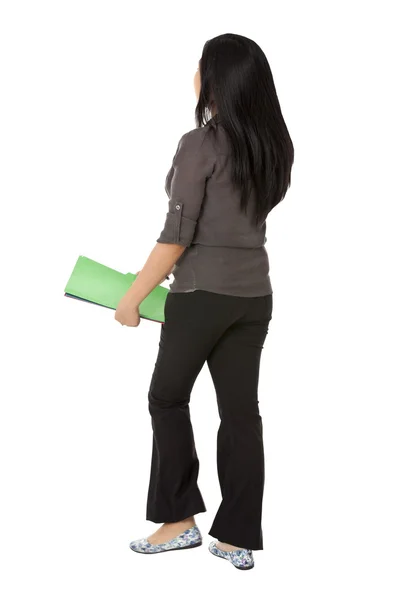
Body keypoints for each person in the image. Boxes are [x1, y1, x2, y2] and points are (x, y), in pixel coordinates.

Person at [115, 33, 294, 570]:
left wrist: (132, 297)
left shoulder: (200, 144)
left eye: (200, 65)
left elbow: (176, 236)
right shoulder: (274, 145)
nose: (194, 72)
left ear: (214, 79)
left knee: (167, 399)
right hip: (254, 297)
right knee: (241, 414)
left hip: (198, 296)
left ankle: (179, 521)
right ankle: (238, 537)